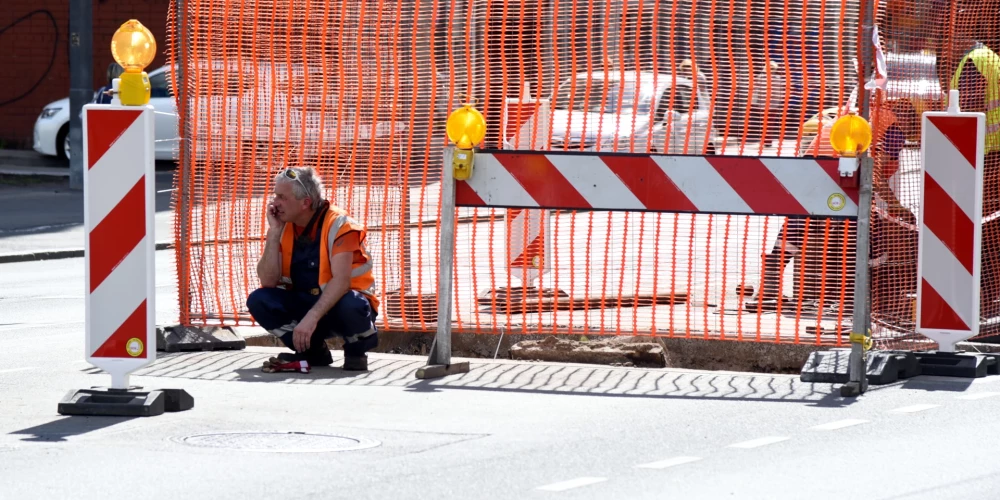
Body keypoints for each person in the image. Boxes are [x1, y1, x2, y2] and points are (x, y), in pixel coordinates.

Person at [247, 166, 380, 373]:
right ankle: (312, 351)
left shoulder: (340, 224)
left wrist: (311, 318)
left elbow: (341, 281)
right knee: (259, 300)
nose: (275, 203)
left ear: (305, 203)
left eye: (282, 197)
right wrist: (273, 233)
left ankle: (356, 350)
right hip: (307, 302)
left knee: (351, 305)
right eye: (275, 196)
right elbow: (268, 282)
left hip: (341, 304)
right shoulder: (283, 225)